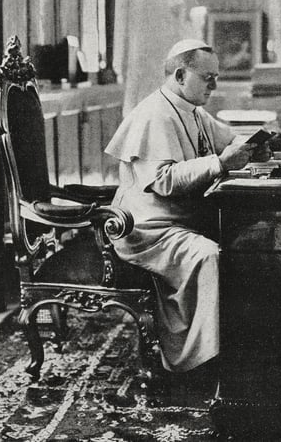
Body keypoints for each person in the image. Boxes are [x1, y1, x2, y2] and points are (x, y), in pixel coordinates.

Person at [104, 39, 270, 375]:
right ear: (181, 75)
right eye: (208, 77)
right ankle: (201, 362)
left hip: (183, 220)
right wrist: (221, 164)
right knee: (209, 256)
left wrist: (252, 148)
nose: (215, 84)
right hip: (150, 229)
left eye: (216, 77)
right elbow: (164, 181)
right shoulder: (154, 114)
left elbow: (228, 140)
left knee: (264, 235)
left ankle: (247, 342)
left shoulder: (191, 110)